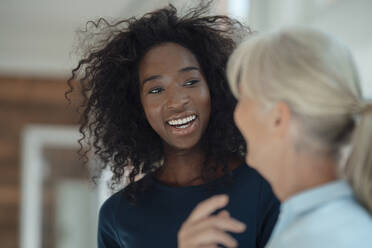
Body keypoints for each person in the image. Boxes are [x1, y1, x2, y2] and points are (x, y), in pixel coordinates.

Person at [67, 2, 279, 248]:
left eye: (190, 82)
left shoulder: (265, 187)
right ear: (138, 107)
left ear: (214, 87)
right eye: (156, 89)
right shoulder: (118, 216)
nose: (177, 102)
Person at [180, 27, 372, 247]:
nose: (235, 113)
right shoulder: (327, 224)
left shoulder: (314, 238)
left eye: (242, 97)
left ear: (278, 118)